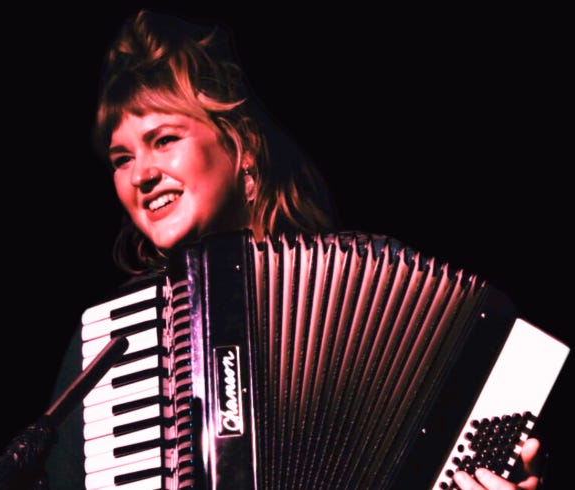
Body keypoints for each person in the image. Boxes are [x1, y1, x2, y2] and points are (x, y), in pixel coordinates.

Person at [36, 8, 547, 490]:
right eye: (121, 158)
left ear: (243, 150)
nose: (140, 174)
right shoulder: (113, 345)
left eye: (164, 139)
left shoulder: (368, 278)